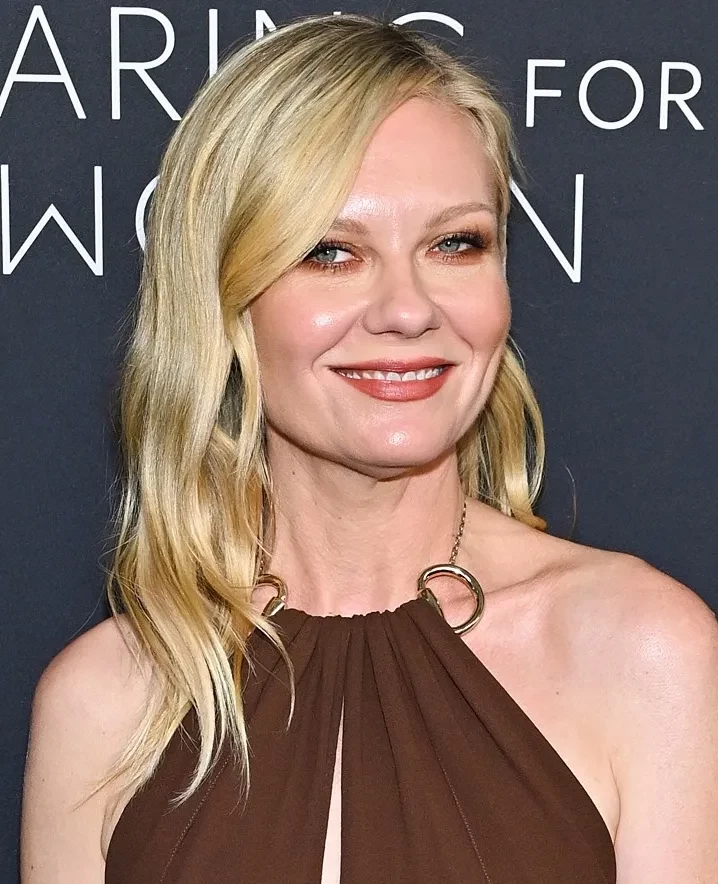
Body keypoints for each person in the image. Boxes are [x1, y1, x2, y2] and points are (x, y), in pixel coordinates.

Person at [20, 12, 718, 884]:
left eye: (455, 244)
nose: (408, 309)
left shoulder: (643, 652)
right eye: (330, 253)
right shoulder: (106, 701)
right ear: (225, 300)